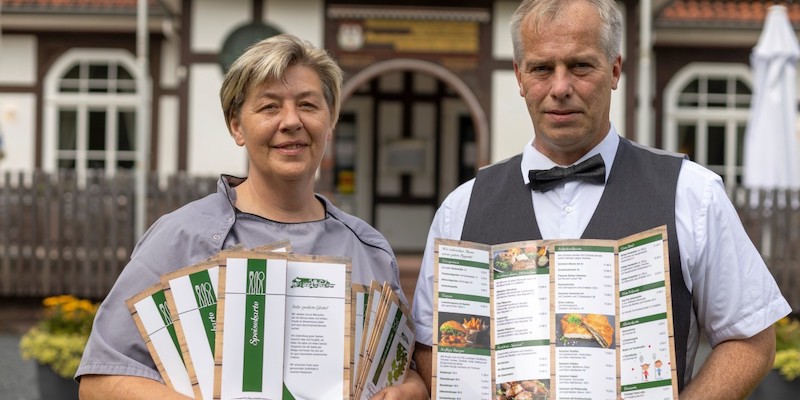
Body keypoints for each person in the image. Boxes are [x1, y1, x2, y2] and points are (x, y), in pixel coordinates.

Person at [411, 0, 792, 399]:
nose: (560, 88)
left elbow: (751, 339)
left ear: (614, 70)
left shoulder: (691, 194)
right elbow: (431, 347)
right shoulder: (460, 209)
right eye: (542, 68)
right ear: (519, 77)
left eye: (580, 66)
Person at [76, 34, 428, 400]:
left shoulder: (367, 247)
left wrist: (410, 391)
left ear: (331, 120)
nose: (291, 121)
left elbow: (407, 370)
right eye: (269, 107)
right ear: (237, 127)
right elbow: (100, 380)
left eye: (308, 105)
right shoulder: (181, 238)